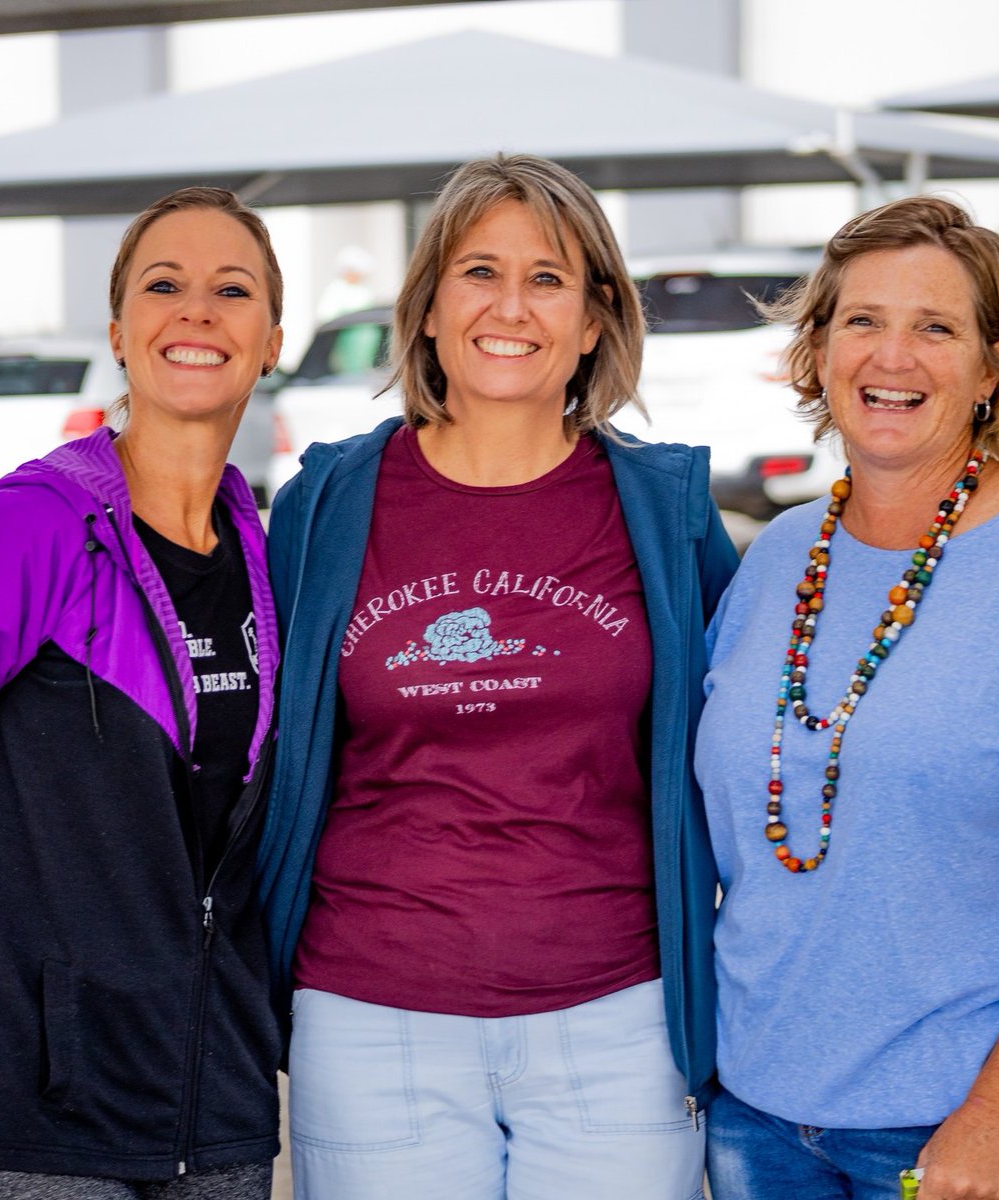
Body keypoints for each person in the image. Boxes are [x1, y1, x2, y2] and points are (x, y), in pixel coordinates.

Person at [258, 152, 738, 1200]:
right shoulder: (324, 506)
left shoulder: (667, 511)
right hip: (372, 1020)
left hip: (620, 1017)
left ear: (595, 320)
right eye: (479, 271)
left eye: (548, 278)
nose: (510, 306)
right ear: (428, 307)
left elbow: (744, 747)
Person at [696, 195, 999, 1200]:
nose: (892, 357)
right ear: (817, 350)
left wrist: (996, 1115)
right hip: (756, 1115)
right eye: (862, 321)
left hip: (961, 1129)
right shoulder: (777, 556)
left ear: (993, 365)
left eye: (936, 328)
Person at [0, 186, 285, 1198]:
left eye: (231, 290)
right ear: (117, 332)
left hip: (215, 1109)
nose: (196, 311)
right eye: (163, 285)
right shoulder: (27, 530)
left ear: (273, 341)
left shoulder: (266, 558)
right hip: (23, 1111)